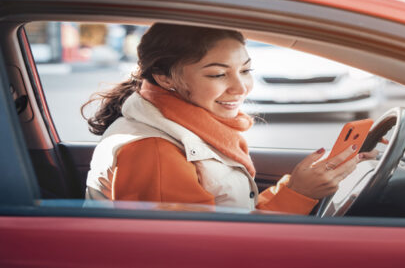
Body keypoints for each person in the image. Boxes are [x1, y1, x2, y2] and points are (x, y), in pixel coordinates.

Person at [83, 23, 378, 215]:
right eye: (218, 74)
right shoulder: (155, 150)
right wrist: (299, 194)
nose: (241, 88)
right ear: (164, 77)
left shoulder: (191, 127)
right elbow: (199, 251)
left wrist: (300, 186)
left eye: (246, 70)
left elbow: (233, 217)